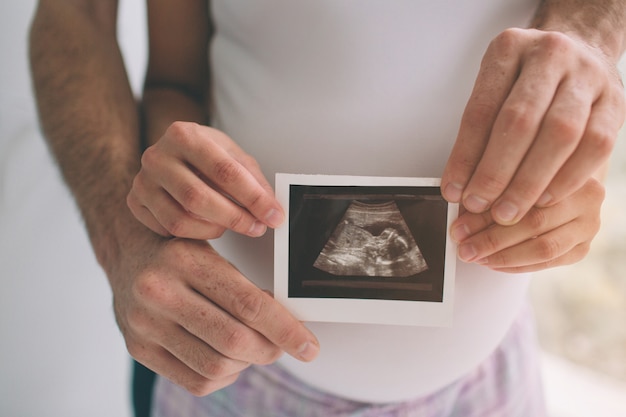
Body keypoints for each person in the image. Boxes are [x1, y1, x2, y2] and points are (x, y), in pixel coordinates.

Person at [29, 1, 626, 416]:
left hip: (489, 381)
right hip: (228, 373)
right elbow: (163, 76)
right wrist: (136, 226)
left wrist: (591, 51)